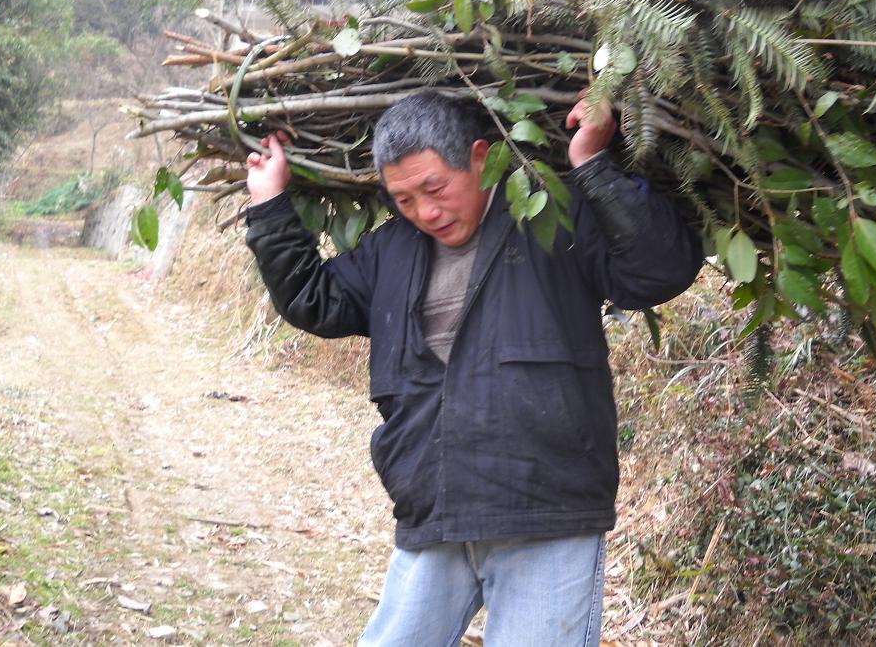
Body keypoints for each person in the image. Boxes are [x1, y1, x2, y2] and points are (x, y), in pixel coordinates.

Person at [243, 90, 703, 646]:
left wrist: (591, 163)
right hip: (435, 509)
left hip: (545, 513)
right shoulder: (393, 250)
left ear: (481, 158)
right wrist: (270, 205)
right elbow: (313, 298)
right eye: (405, 199)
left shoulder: (551, 218)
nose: (426, 213)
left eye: (435, 189)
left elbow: (660, 269)